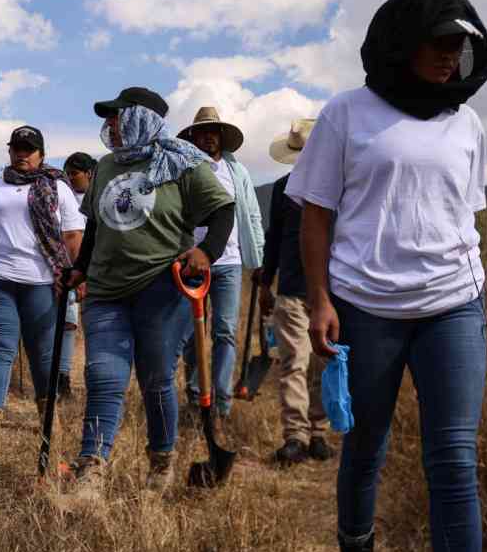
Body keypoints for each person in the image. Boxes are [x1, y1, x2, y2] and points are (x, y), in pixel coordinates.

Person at [286, 0, 487, 552]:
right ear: (403, 43)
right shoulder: (348, 113)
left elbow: (463, 213)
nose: (447, 54)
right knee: (366, 447)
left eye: (458, 43)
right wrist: (319, 299)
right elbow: (315, 216)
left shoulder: (468, 121)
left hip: (453, 306)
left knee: (453, 454)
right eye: (436, 41)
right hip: (367, 307)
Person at [61, 87, 234, 495]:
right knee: (104, 375)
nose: (109, 126)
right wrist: (80, 269)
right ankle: (91, 468)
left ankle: (161, 462)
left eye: (116, 117)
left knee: (156, 379)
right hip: (105, 290)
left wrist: (207, 251)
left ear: (141, 118)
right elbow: (95, 228)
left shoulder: (183, 162)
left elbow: (223, 209)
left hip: (162, 287)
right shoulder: (104, 167)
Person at [0, 125, 85, 461]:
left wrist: (74, 276)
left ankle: (49, 421)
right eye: (16, 147)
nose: (22, 153)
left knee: (43, 356)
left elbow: (73, 236)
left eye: (29, 149)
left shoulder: (58, 187)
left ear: (42, 154)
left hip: (42, 283)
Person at [174, 107, 264, 418]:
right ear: (193, 137)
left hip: (230, 261)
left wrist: (259, 257)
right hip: (191, 260)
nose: (208, 136)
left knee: (225, 331)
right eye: (202, 131)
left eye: (213, 131)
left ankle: (221, 404)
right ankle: (197, 396)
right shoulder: (182, 170)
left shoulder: (236, 172)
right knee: (189, 333)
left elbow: (252, 213)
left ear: (221, 136)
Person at [258, 118, 333, 467]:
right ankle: (296, 436)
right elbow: (274, 237)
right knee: (293, 363)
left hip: (330, 291)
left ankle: (319, 432)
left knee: (324, 363)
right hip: (290, 286)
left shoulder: (340, 188)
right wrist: (265, 282)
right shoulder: (282, 189)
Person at [55, 151, 97, 398]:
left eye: (75, 174)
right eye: (67, 174)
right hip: (71, 268)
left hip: (99, 270)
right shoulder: (63, 196)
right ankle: (62, 377)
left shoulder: (100, 196)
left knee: (95, 326)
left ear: (89, 173)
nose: (70, 178)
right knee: (68, 322)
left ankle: (95, 379)